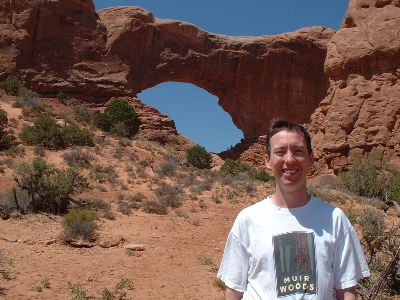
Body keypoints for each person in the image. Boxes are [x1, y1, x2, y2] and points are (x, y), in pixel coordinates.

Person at [217, 119, 370, 300]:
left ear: (310, 159)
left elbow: (346, 290)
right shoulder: (248, 219)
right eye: (280, 152)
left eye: (297, 151)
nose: (289, 160)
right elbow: (234, 291)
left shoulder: (335, 219)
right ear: (268, 160)